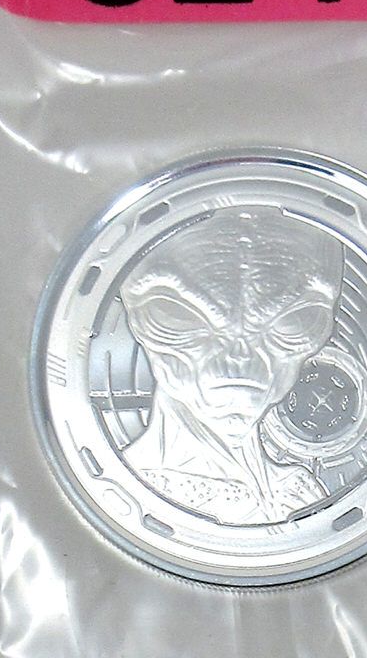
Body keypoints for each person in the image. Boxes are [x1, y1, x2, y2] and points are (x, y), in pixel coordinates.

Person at [120, 206, 344, 524]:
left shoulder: (298, 493)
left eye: (292, 323)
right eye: (180, 316)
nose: (241, 355)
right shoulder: (129, 490)